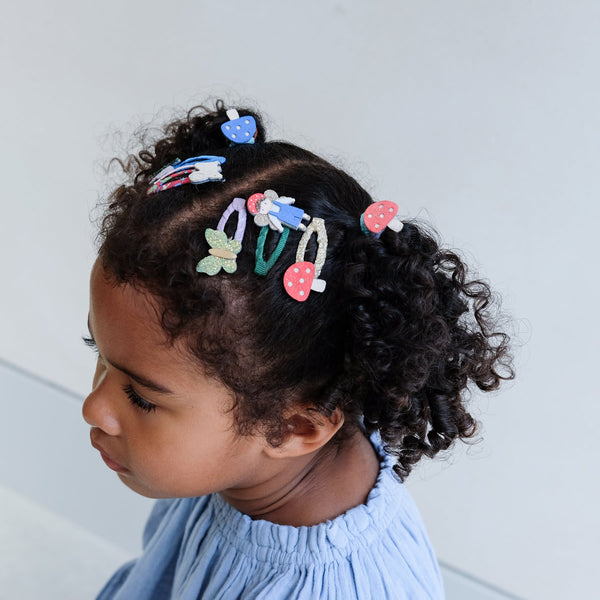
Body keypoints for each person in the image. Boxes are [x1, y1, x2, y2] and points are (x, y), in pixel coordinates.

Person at [82, 101, 513, 599]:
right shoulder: (246, 455)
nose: (93, 406)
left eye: (141, 397)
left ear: (296, 428)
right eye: (98, 351)